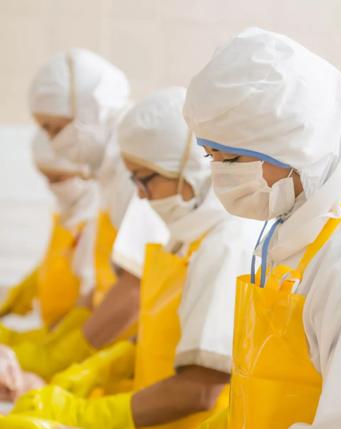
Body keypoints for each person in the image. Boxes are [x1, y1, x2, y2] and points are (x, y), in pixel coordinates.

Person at [184, 28, 341, 428]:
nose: (219, 177)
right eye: (210, 157)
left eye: (231, 161)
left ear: (296, 149)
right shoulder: (290, 235)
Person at [5, 87, 260, 429]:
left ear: (187, 171)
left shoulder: (225, 243)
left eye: (144, 180)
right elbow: (163, 334)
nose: (139, 195)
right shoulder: (186, 235)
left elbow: (200, 391)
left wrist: (80, 413)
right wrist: (97, 367)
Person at [2, 49, 167, 382]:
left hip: (144, 356)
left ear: (90, 111)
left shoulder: (132, 172)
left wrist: (63, 354)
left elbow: (135, 287)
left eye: (55, 128)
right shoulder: (112, 178)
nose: (53, 142)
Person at [0, 133, 98, 348]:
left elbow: (90, 293)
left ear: (84, 172)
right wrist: (34, 283)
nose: (51, 186)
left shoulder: (97, 217)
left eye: (58, 178)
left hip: (80, 336)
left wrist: (55, 345)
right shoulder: (67, 211)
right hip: (55, 325)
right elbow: (61, 259)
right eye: (46, 178)